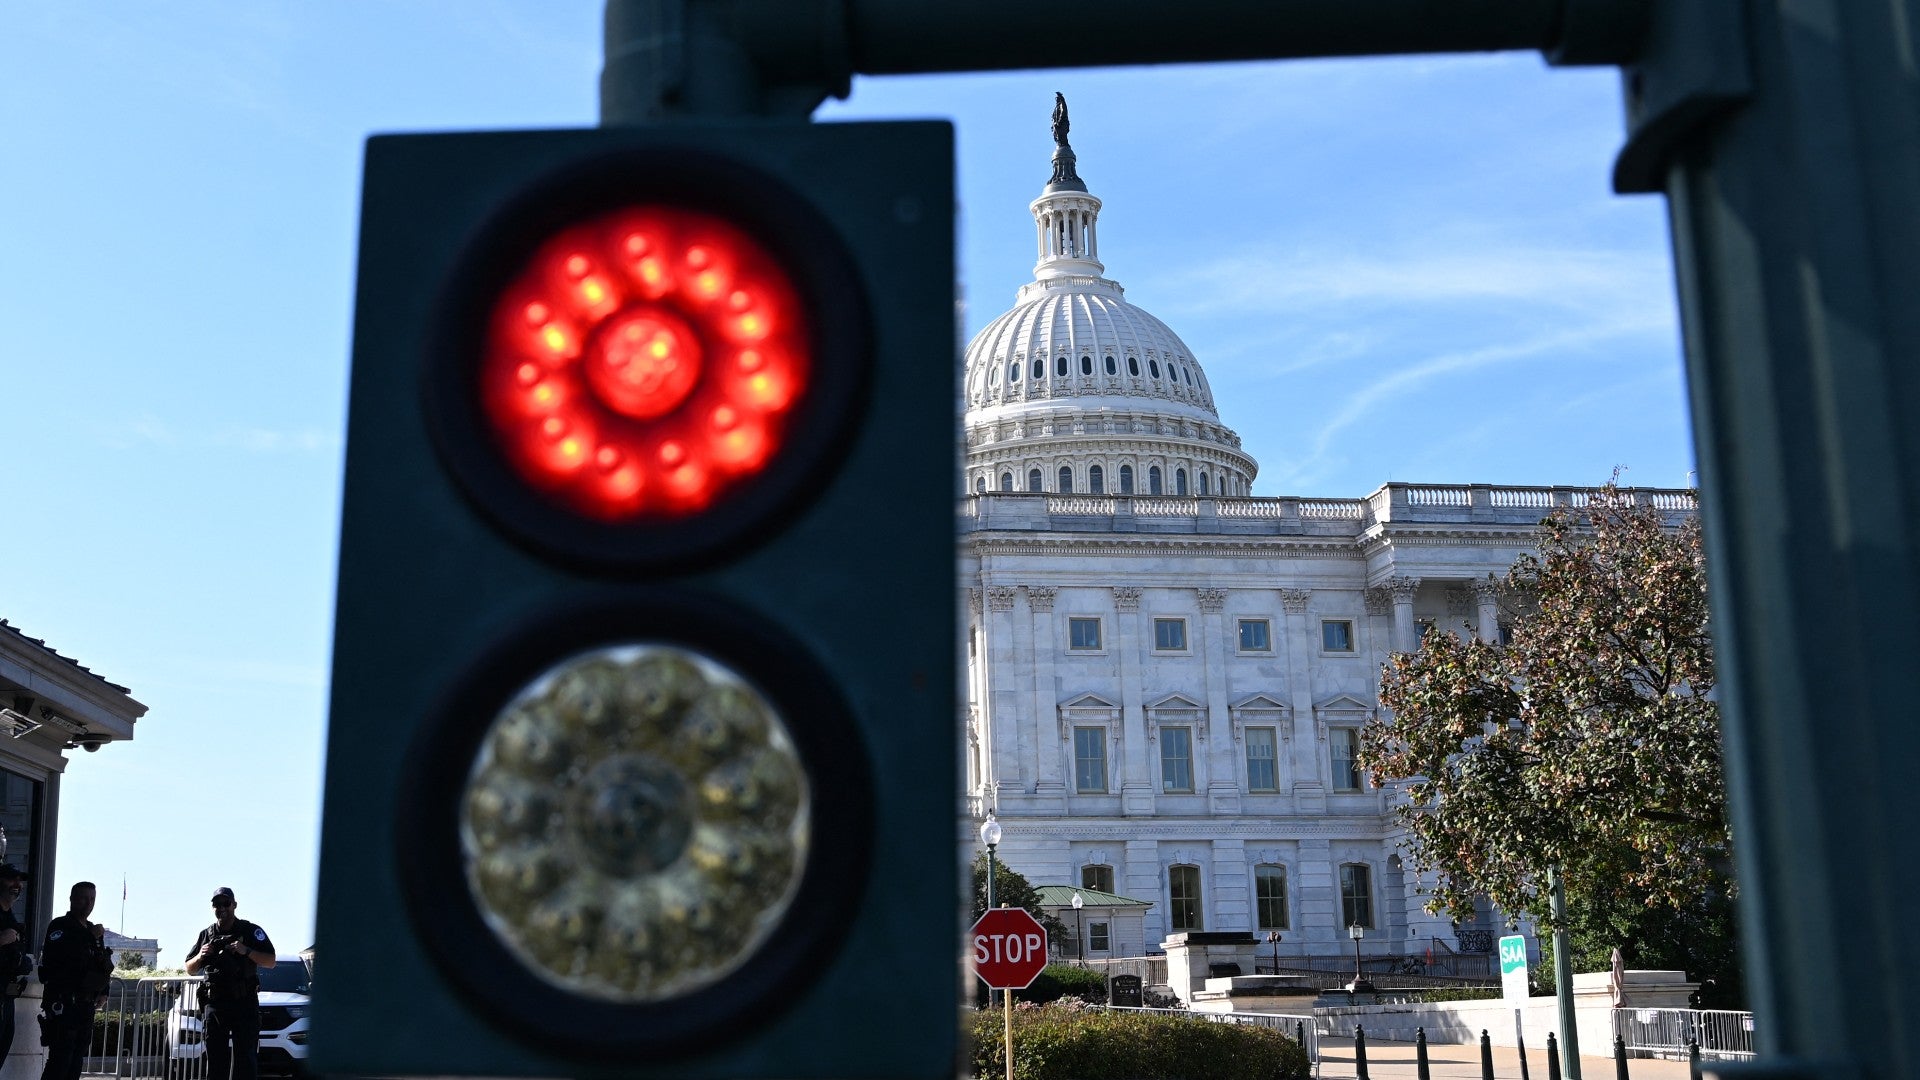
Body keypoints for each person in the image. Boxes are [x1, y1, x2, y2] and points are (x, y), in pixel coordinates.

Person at [184, 888, 275, 1080]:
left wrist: (246, 951)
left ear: (234, 905)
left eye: (226, 903)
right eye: (217, 904)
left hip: (244, 1002)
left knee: (246, 1060)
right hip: (216, 1004)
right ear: (213, 907)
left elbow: (271, 961)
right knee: (216, 1060)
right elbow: (189, 968)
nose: (221, 908)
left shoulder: (249, 931)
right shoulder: (206, 935)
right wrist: (201, 955)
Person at [37, 881, 111, 1080]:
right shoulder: (60, 926)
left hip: (85, 1004)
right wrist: (88, 937)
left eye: (92, 899)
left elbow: (101, 964)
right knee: (60, 1061)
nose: (88, 904)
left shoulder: (92, 931)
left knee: (76, 1062)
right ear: (72, 899)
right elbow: (61, 960)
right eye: (83, 898)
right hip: (63, 1003)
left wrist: (104, 991)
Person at [0, 865, 27, 1063]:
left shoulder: (11, 916)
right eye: (11, 879)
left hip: (6, 994)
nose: (17, 885)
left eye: (20, 881)